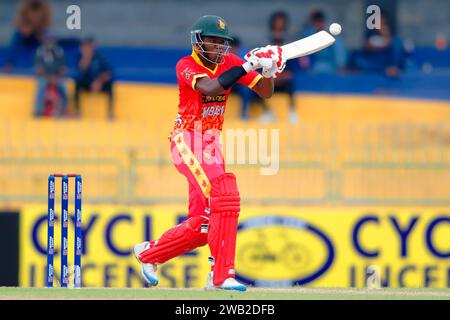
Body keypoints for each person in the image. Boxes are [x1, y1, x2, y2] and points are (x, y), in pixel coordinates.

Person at [133, 15, 285, 291]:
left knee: (203, 224)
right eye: (213, 41)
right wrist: (247, 65)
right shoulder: (186, 65)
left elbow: (266, 93)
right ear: (199, 41)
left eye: (222, 43)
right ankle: (221, 275)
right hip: (187, 139)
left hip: (211, 143)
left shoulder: (231, 62)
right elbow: (211, 87)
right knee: (225, 192)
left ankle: (148, 253)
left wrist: (269, 71)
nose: (218, 47)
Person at [349, 12, 405, 78]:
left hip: (386, 60)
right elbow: (365, 46)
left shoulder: (391, 35)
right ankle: (385, 70)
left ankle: (392, 68)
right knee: (356, 58)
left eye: (382, 22)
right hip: (374, 60)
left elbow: (394, 48)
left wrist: (385, 35)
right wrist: (378, 47)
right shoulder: (370, 34)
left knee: (397, 44)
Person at [3, 0, 51, 73]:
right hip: (25, 32)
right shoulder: (24, 5)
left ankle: (44, 66)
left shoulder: (45, 7)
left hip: (38, 32)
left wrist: (35, 30)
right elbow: (18, 21)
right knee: (16, 38)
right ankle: (9, 65)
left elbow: (47, 23)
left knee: (47, 41)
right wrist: (24, 29)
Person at [74, 37, 115, 119]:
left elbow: (109, 72)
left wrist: (99, 81)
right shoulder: (80, 57)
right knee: (77, 83)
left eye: (88, 47)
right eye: (84, 47)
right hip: (87, 84)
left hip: (99, 83)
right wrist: (86, 59)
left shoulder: (100, 57)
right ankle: (78, 111)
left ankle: (110, 113)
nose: (86, 49)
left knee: (110, 85)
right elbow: (79, 74)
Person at [300, 9, 347, 74]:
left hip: (331, 69)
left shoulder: (332, 36)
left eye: (320, 21)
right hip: (312, 71)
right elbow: (303, 57)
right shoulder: (307, 36)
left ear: (324, 22)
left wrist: (341, 67)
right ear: (313, 23)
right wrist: (306, 69)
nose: (318, 24)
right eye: (316, 22)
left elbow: (339, 52)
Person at [34, 35, 68, 117]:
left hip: (57, 77)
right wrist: (49, 78)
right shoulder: (40, 51)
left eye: (51, 41)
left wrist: (56, 78)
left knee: (63, 87)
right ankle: (38, 111)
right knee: (41, 85)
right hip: (44, 77)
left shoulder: (60, 51)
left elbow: (63, 69)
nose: (49, 43)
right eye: (48, 41)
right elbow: (38, 69)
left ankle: (64, 110)